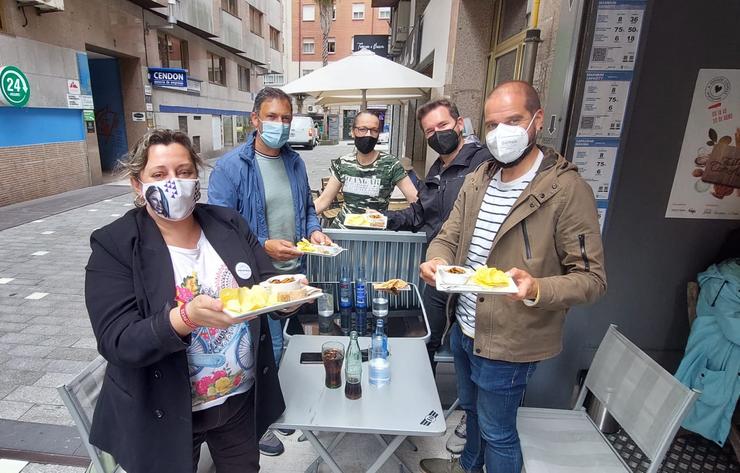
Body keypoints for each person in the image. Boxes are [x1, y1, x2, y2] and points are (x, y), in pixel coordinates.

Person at [418, 81, 607, 473]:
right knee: (471, 416)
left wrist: (537, 287)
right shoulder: (480, 177)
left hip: (511, 339)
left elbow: (591, 279)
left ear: (537, 120)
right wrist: (436, 260)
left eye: (513, 120)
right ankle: (468, 468)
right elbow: (448, 236)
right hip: (465, 327)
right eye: (492, 124)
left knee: (497, 430)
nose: (501, 133)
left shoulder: (566, 190)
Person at [85, 130, 287, 473]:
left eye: (183, 171)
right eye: (159, 175)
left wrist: (290, 298)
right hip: (162, 410)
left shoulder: (229, 223)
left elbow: (267, 284)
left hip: (238, 402)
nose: (174, 183)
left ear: (197, 175)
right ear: (138, 184)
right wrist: (185, 319)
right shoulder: (115, 244)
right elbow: (117, 340)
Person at [208, 86, 331, 456]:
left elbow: (307, 207)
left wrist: (314, 230)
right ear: (255, 119)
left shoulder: (294, 161)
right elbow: (219, 228)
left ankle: (273, 407)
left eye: (286, 118)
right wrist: (263, 244)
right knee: (266, 347)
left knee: (287, 345)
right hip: (255, 278)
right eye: (272, 117)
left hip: (294, 271)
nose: (279, 124)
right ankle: (257, 423)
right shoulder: (230, 168)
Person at [313, 111, 418, 227]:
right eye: (362, 129)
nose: (368, 134)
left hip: (374, 234)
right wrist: (299, 220)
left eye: (374, 130)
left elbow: (416, 201)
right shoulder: (342, 163)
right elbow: (323, 201)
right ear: (353, 132)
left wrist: (392, 218)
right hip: (342, 231)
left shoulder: (391, 164)